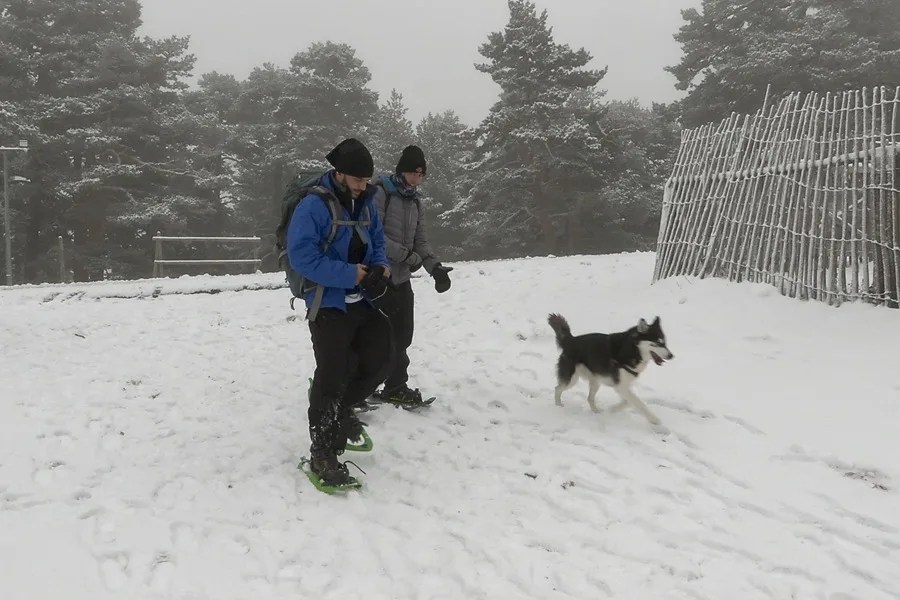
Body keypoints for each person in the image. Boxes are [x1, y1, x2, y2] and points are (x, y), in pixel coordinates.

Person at [286, 138, 392, 488]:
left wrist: (379, 268)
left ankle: (341, 412)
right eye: (359, 180)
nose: (365, 186)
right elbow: (303, 257)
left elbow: (377, 242)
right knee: (332, 375)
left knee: (381, 357)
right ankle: (323, 453)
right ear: (340, 173)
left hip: (360, 301)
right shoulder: (314, 207)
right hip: (326, 303)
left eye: (368, 180)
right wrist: (350, 274)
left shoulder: (366, 205)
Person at [370, 145, 453, 406]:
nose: (418, 178)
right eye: (415, 173)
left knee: (403, 335)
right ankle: (358, 386)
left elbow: (421, 240)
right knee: (374, 337)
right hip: (378, 276)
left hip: (402, 279)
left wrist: (434, 268)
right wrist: (406, 256)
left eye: (422, 174)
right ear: (403, 170)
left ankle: (395, 386)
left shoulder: (415, 201)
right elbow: (374, 237)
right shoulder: (381, 193)